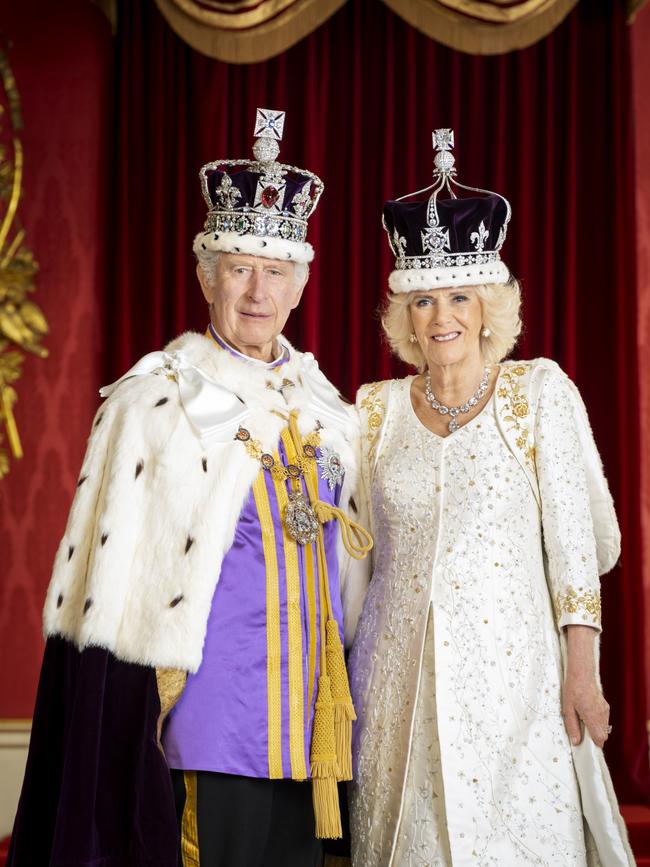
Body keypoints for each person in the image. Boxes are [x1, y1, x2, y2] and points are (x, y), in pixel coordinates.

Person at [8, 108, 371, 867]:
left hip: (310, 731)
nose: (256, 290)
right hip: (206, 723)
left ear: (300, 285)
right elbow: (104, 600)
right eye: (238, 266)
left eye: (275, 271)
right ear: (207, 274)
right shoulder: (158, 400)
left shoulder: (330, 411)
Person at [347, 129, 634, 866]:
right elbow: (349, 558)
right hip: (396, 691)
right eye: (422, 299)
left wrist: (583, 669)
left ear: (488, 306)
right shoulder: (372, 412)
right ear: (402, 314)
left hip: (517, 691)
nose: (441, 316)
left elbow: (576, 547)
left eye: (458, 296)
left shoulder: (538, 394)